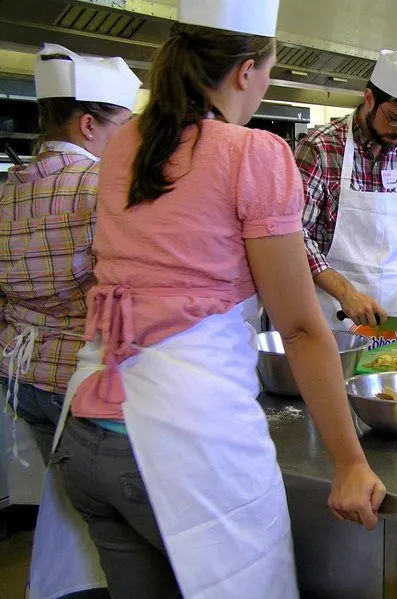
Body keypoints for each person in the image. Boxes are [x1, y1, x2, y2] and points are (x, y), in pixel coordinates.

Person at [50, 2, 385, 597]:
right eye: (269, 73)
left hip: (87, 438)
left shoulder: (122, 144)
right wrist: (350, 462)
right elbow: (302, 329)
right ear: (245, 71)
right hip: (180, 449)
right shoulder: (252, 153)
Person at [1, 42, 141, 599]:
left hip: (22, 374)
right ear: (89, 124)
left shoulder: (8, 188)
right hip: (82, 384)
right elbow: (122, 291)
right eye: (123, 126)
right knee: (112, 520)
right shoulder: (99, 188)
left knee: (70, 505)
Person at [295, 48, 397, 345]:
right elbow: (293, 234)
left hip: (395, 319)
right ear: (369, 98)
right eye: (394, 119)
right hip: (332, 317)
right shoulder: (322, 148)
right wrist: (346, 292)